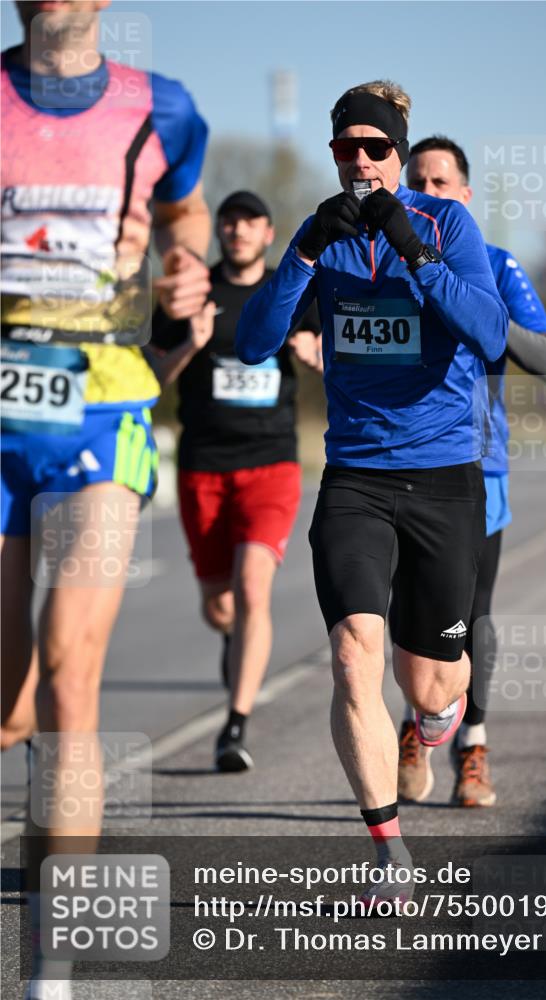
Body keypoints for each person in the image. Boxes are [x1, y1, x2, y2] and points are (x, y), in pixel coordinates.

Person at [236, 80, 508, 908]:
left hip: (443, 479)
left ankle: (433, 727)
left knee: (433, 685)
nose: (359, 161)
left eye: (375, 147)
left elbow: (490, 334)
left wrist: (415, 253)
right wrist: (305, 250)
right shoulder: (322, 238)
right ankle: (387, 850)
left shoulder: (445, 224)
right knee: (354, 654)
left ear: (397, 150)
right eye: (345, 148)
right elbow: (252, 343)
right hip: (355, 477)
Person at [1, 3, 210, 997]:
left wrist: (185, 261)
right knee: (8, 701)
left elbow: (188, 208)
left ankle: (53, 965)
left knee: (69, 670)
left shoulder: (159, 108)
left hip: (102, 411)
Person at [396, 136, 546, 807]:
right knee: (404, 611)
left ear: (464, 194)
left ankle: (473, 747)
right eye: (417, 182)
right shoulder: (382, 262)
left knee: (470, 613)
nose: (427, 194)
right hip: (396, 465)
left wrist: (482, 319)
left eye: (441, 183)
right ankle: (416, 724)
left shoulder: (493, 262)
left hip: (475, 466)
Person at [147, 190, 320, 773]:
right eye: (229, 220)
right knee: (220, 606)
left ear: (268, 233)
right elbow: (150, 376)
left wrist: (319, 353)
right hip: (203, 466)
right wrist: (189, 345)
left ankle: (235, 725)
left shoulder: (290, 292)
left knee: (252, 588)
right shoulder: (191, 291)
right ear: (218, 230)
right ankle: (232, 639)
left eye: (250, 221)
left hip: (271, 463)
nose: (238, 229)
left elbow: (337, 351)